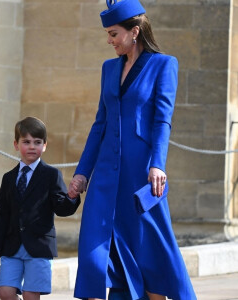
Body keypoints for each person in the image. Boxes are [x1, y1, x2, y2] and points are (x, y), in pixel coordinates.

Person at [68, 0, 197, 299]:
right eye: (108, 35)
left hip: (143, 176)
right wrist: (82, 173)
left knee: (149, 254)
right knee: (95, 254)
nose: (109, 41)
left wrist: (158, 164)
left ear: (134, 31)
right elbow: (99, 124)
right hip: (105, 177)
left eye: (114, 34)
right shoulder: (108, 68)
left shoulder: (164, 65)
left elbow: (162, 121)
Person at [0, 116, 81, 300]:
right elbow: (2, 215)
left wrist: (71, 196)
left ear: (44, 145)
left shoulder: (51, 175)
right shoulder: (8, 178)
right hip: (11, 246)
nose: (32, 146)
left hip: (39, 246)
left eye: (37, 142)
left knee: (31, 295)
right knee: (5, 291)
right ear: (16, 145)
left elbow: (62, 208)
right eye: (26, 142)